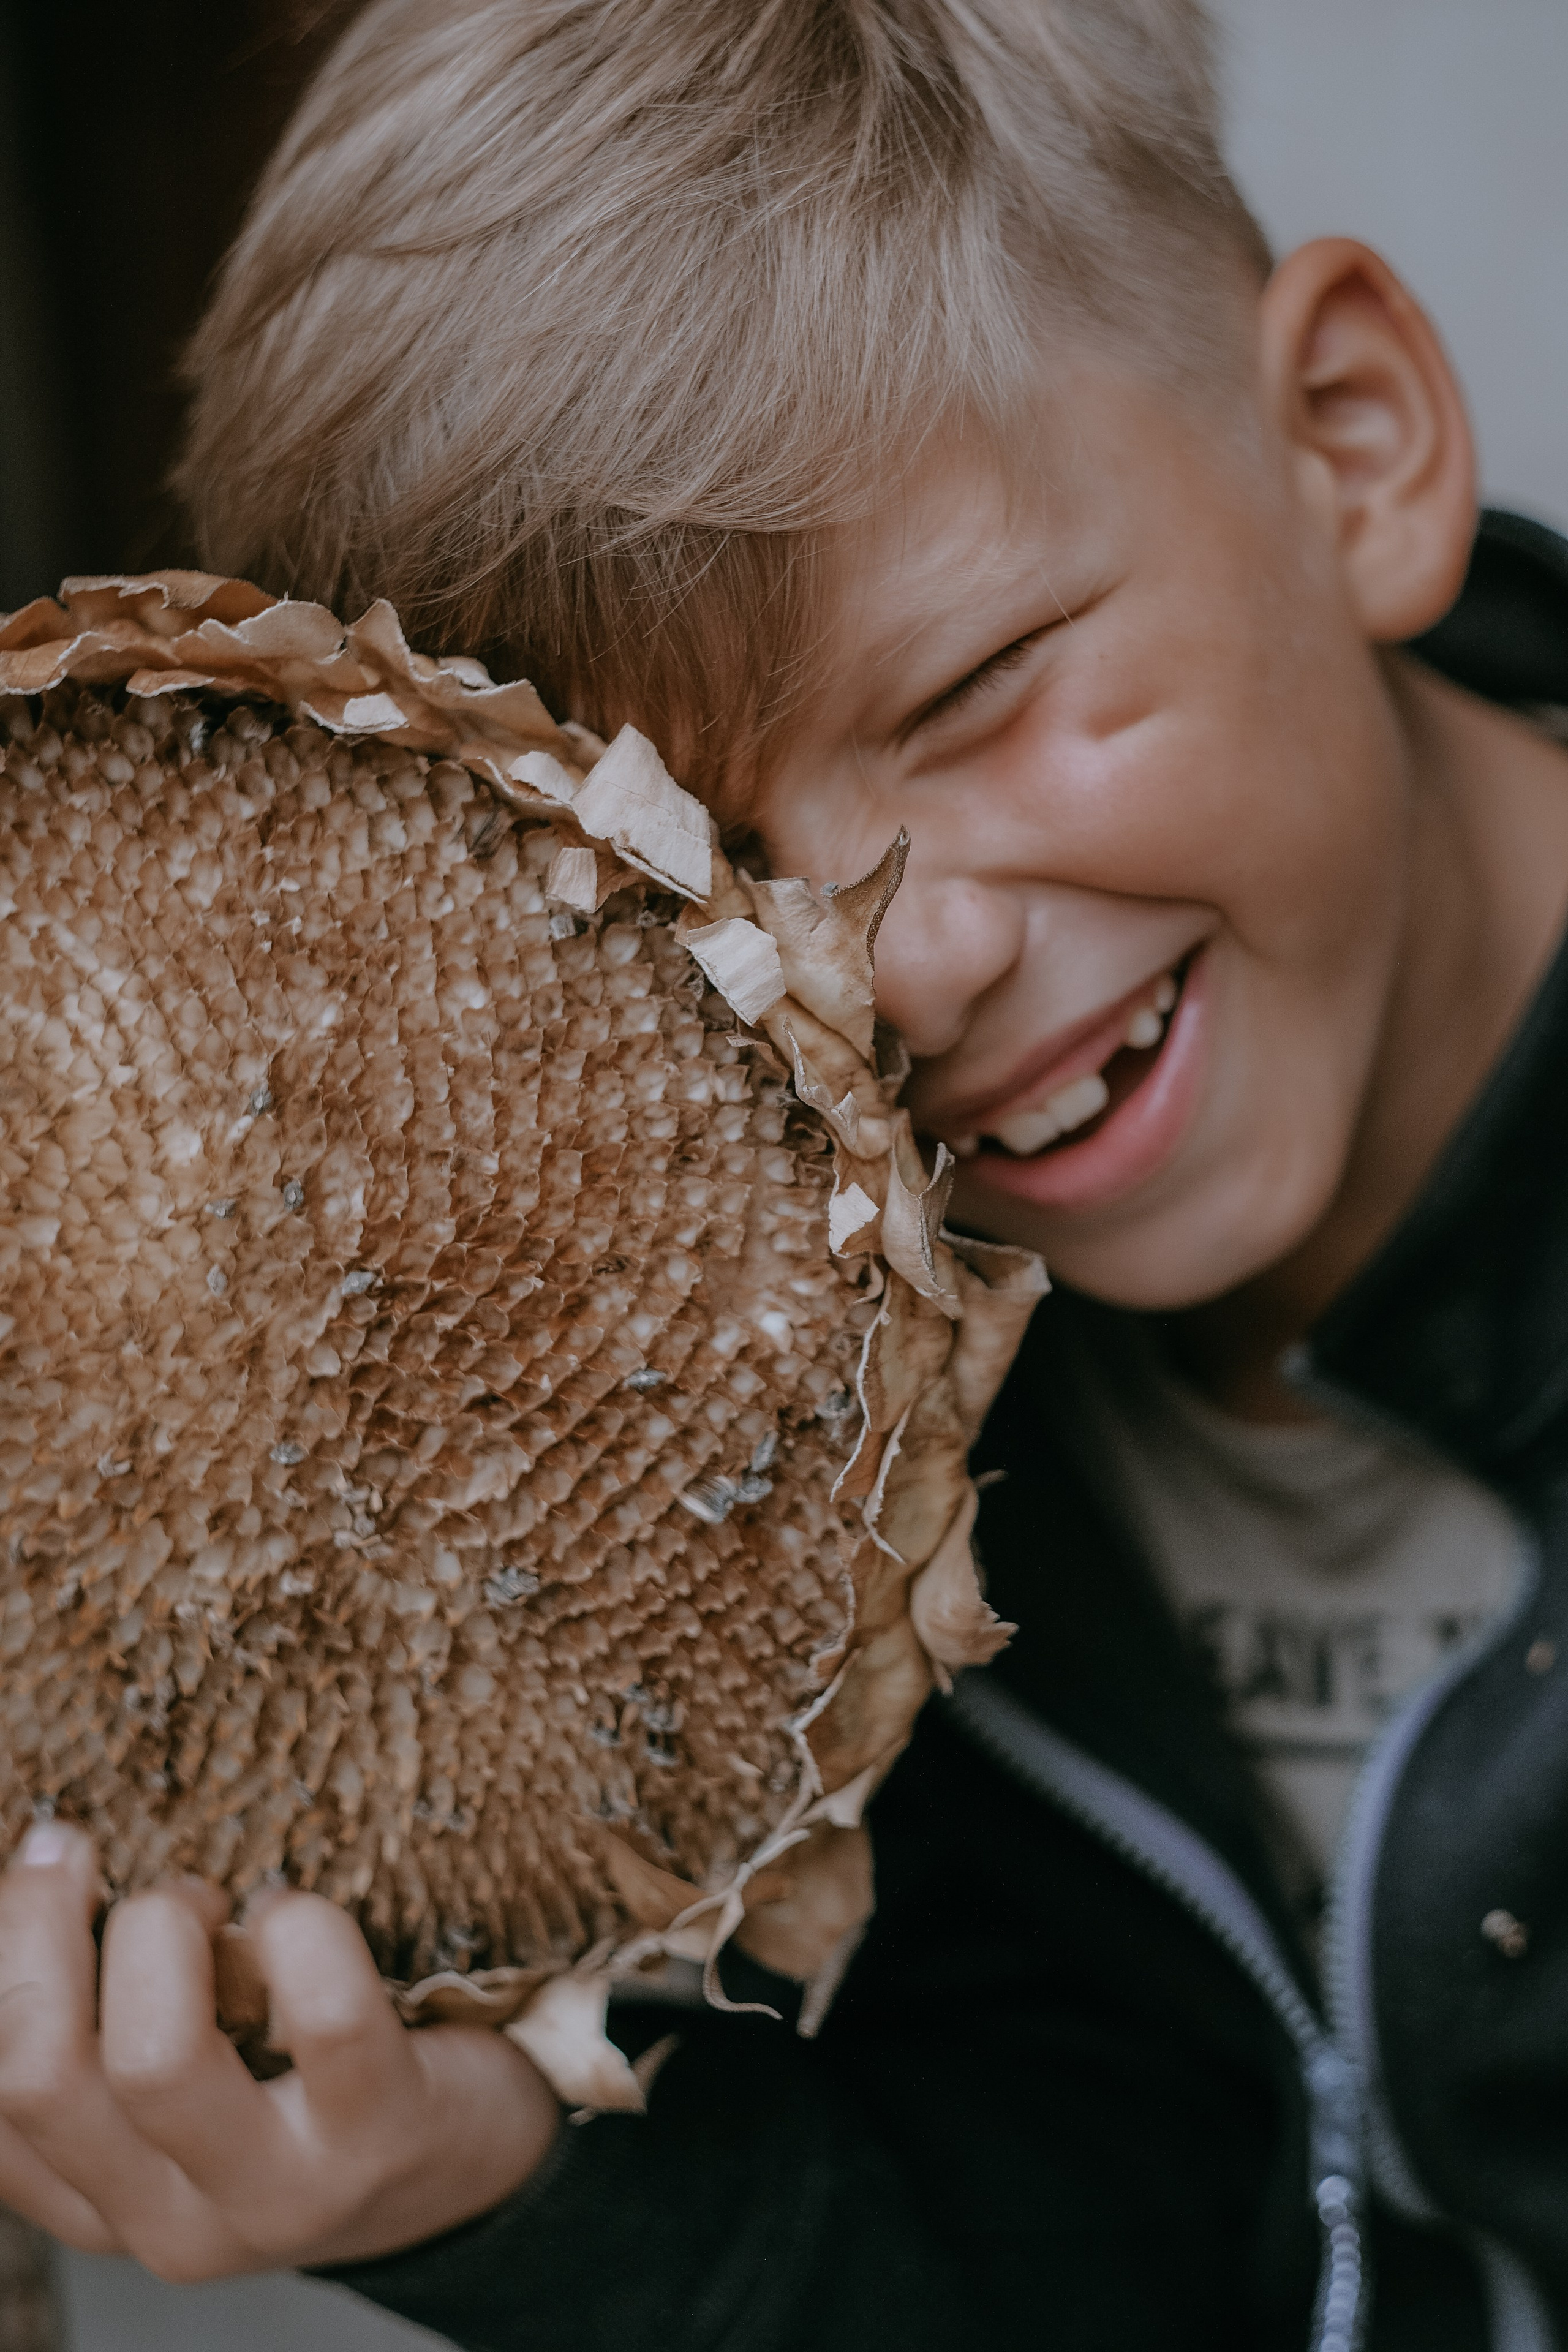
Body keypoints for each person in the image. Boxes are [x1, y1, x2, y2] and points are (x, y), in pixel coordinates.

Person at [2, 1, 1566, 2343]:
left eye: (984, 689)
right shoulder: (786, 1422)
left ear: (1353, 442)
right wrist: (505, 2190)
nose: (903, 964)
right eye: (704, 866)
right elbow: (1096, 2232)